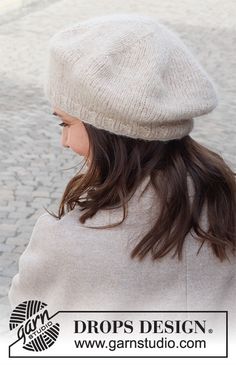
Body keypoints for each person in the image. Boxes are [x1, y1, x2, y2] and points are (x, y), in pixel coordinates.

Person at [8, 13, 235, 351]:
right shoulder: (225, 201)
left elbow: (27, 340)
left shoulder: (68, 242)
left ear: (108, 130)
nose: (65, 142)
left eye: (65, 124)